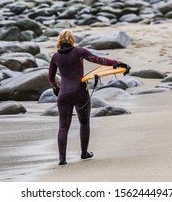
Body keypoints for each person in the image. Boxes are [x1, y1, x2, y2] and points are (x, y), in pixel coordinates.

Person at [48, 29, 129, 165]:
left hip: (64, 94)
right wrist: (118, 63)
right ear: (72, 39)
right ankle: (84, 153)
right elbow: (100, 60)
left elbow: (51, 77)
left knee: (63, 126)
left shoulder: (56, 57)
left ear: (60, 40)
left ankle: (62, 159)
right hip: (79, 91)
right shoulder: (80, 52)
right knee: (84, 123)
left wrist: (56, 88)